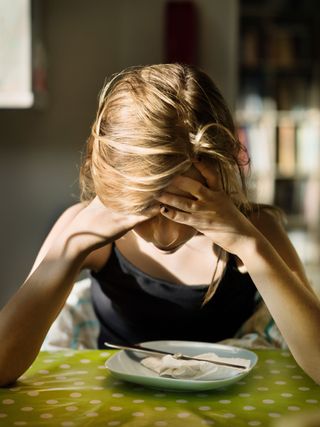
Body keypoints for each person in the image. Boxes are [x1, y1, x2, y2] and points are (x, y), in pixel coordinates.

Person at [0, 63, 320, 387]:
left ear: (220, 173)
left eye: (186, 205)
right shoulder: (82, 230)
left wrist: (249, 246)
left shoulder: (255, 230)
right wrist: (70, 247)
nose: (165, 235)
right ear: (114, 187)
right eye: (145, 209)